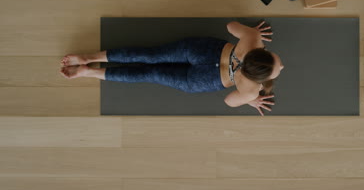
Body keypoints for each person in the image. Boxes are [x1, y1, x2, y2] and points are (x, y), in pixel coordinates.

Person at [60, 21, 284, 116]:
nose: (282, 66)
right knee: (151, 73)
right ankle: (89, 71)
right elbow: (229, 101)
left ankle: (90, 60)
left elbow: (230, 26)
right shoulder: (252, 89)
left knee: (150, 57)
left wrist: (250, 31)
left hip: (202, 52)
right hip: (202, 79)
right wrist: (251, 99)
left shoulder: (253, 39)